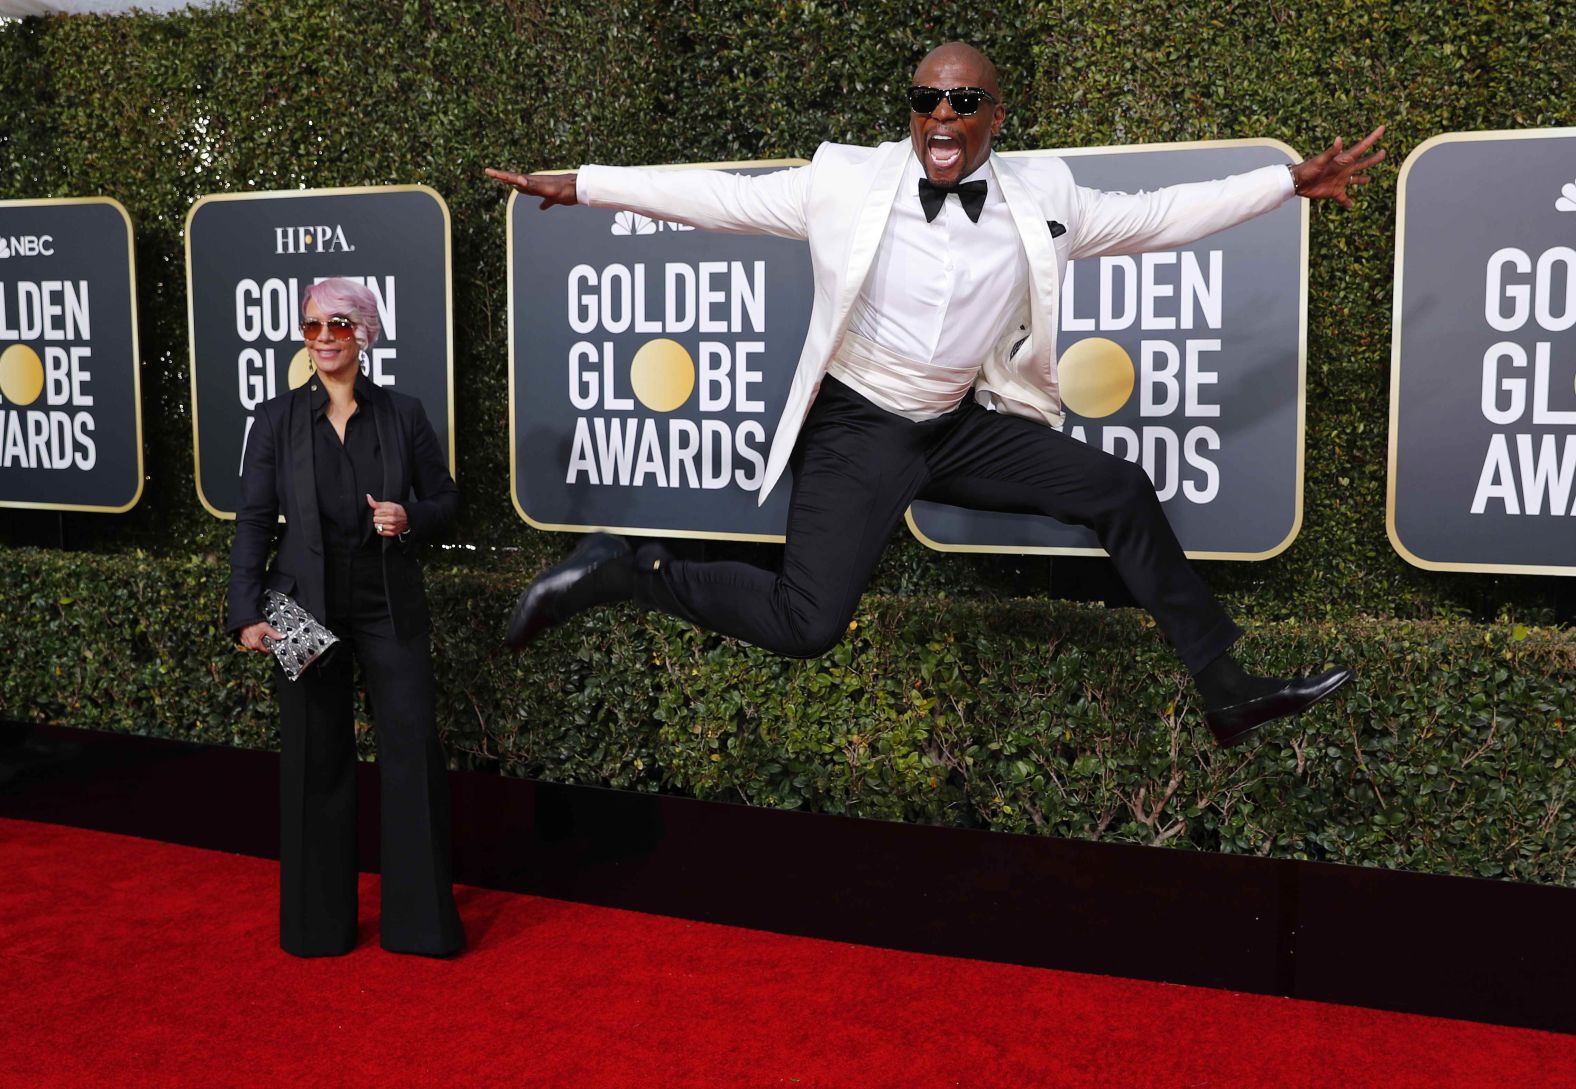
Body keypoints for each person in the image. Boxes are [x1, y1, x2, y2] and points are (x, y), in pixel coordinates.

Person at [487, 42, 1384, 747]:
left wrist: (1287, 183)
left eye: (963, 101)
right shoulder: (847, 181)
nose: (942, 114)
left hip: (955, 423)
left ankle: (1225, 690)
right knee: (807, 624)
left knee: (1118, 490)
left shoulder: (1047, 195)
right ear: (912, 116)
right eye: (926, 101)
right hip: (859, 425)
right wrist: (587, 185)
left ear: (996, 114)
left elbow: (1158, 219)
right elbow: (723, 198)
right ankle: (626, 568)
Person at [226, 277, 464, 957]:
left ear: (364, 332)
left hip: (386, 598)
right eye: (311, 326)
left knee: (412, 754)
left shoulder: (403, 414)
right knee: (312, 758)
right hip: (299, 604)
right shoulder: (275, 419)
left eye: (337, 323)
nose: (323, 337)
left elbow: (446, 500)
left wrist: (410, 514)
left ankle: (420, 927)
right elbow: (252, 520)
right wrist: (246, 609)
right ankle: (316, 927)